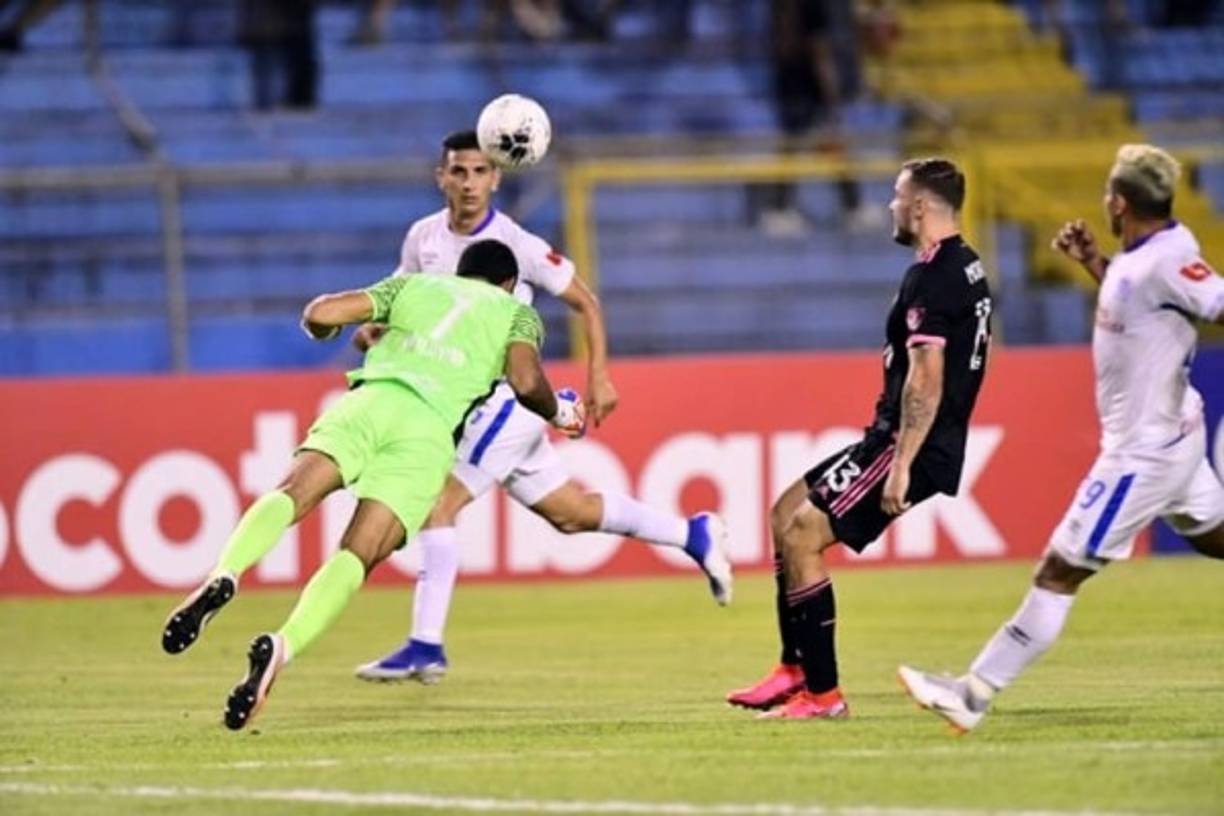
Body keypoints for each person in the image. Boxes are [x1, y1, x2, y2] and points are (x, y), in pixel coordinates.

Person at [354, 130, 733, 683]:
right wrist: (377, 326)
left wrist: (598, 375)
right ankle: (692, 534)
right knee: (569, 513)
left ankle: (425, 646)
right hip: (472, 400)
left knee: (437, 505)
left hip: (509, 398)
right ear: (441, 178)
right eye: (458, 171)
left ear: (496, 177)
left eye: (479, 172)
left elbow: (586, 302)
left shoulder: (518, 245)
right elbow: (407, 297)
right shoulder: (423, 238)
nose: (468, 183)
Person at [160, 240, 585, 731]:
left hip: (371, 402)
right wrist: (560, 413)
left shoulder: (415, 286)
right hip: (427, 435)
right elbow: (526, 381)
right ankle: (284, 643)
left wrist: (324, 331)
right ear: (509, 283)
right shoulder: (517, 314)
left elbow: (322, 313)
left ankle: (226, 573)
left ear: (459, 271)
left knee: (291, 493)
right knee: (356, 553)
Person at [898, 144, 1224, 734]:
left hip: (1141, 456)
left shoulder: (1169, 262)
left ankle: (972, 693)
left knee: (1058, 571)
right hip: (1177, 438)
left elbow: (1211, 300)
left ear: (1118, 203)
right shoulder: (1152, 254)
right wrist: (1096, 262)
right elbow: (1149, 305)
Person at [727, 157, 993, 719]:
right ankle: (794, 669)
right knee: (785, 513)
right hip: (896, 436)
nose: (890, 206)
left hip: (910, 442)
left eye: (897, 196)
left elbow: (927, 378)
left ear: (919, 206)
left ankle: (823, 696)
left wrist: (902, 463)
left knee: (803, 535)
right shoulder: (964, 264)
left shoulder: (933, 277)